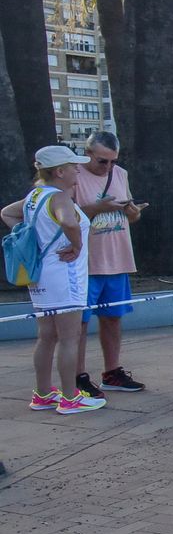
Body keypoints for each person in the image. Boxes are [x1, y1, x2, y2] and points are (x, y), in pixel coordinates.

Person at [2, 146, 105, 415]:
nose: (78, 170)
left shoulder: (34, 196)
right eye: (73, 166)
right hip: (64, 274)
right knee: (69, 337)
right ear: (60, 171)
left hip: (41, 276)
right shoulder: (59, 197)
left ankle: (44, 392)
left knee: (46, 335)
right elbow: (69, 223)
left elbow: (8, 213)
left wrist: (32, 238)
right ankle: (70, 397)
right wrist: (76, 245)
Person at [71, 131, 147, 397]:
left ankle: (112, 372)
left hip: (117, 258)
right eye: (102, 161)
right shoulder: (74, 175)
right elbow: (64, 216)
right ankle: (78, 376)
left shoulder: (120, 175)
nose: (108, 167)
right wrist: (97, 208)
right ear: (87, 153)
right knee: (78, 323)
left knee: (113, 318)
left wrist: (133, 212)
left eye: (113, 161)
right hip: (86, 262)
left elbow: (129, 216)